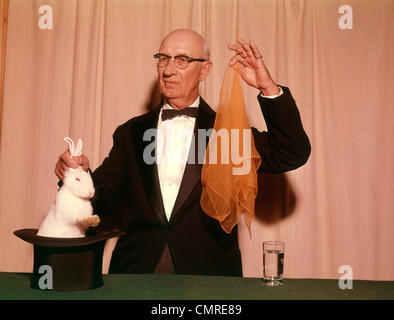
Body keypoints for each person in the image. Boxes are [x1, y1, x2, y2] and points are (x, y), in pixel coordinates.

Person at [55, 29, 311, 276]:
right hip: (137, 272)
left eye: (182, 60)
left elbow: (290, 153)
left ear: (204, 70)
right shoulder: (130, 132)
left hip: (207, 277)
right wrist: (78, 175)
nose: (168, 70)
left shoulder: (228, 131)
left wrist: (267, 87)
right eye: (163, 58)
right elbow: (103, 198)